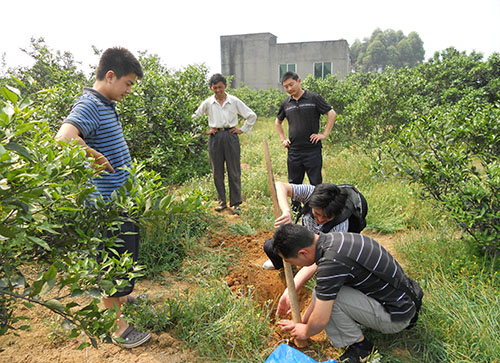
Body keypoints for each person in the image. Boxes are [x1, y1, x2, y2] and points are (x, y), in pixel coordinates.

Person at [55, 47, 150, 349]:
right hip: (106, 206)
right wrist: (91, 155)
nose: (129, 90)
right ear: (110, 76)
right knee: (110, 262)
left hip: (120, 201)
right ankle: (117, 327)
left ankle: (121, 297)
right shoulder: (89, 104)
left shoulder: (105, 103)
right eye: (128, 83)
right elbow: (64, 138)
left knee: (124, 257)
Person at [273, 224, 422, 363]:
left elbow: (320, 319)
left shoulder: (332, 262)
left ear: (303, 253)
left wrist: (305, 331)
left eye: (291, 261)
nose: (296, 265)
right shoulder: (334, 240)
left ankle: (362, 349)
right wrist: (302, 323)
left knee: (332, 300)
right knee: (324, 293)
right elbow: (320, 292)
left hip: (397, 317)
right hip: (405, 300)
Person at [193, 73, 257, 215]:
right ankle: (222, 201)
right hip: (215, 137)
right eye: (215, 87)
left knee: (234, 171)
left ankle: (236, 203)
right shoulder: (208, 103)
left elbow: (251, 115)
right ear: (211, 88)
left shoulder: (233, 101)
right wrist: (205, 131)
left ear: (225, 86)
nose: (218, 90)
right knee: (217, 171)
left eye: (220, 87)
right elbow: (194, 118)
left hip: (231, 136)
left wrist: (242, 129)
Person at [262, 182, 350, 270]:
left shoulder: (339, 227)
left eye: (326, 218)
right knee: (270, 247)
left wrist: (296, 281)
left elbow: (324, 257)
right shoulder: (312, 194)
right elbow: (279, 186)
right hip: (304, 237)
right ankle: (285, 266)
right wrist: (286, 211)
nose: (320, 219)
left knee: (325, 267)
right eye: (317, 213)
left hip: (319, 250)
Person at [276, 71, 336, 187]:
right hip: (294, 150)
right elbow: (278, 122)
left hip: (312, 150)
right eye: (286, 87)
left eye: (291, 84)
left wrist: (324, 134)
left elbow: (331, 113)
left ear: (299, 81)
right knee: (294, 184)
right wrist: (283, 139)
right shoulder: (286, 104)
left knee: (316, 184)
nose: (289, 89)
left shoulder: (313, 98)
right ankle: (296, 206)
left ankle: (316, 205)